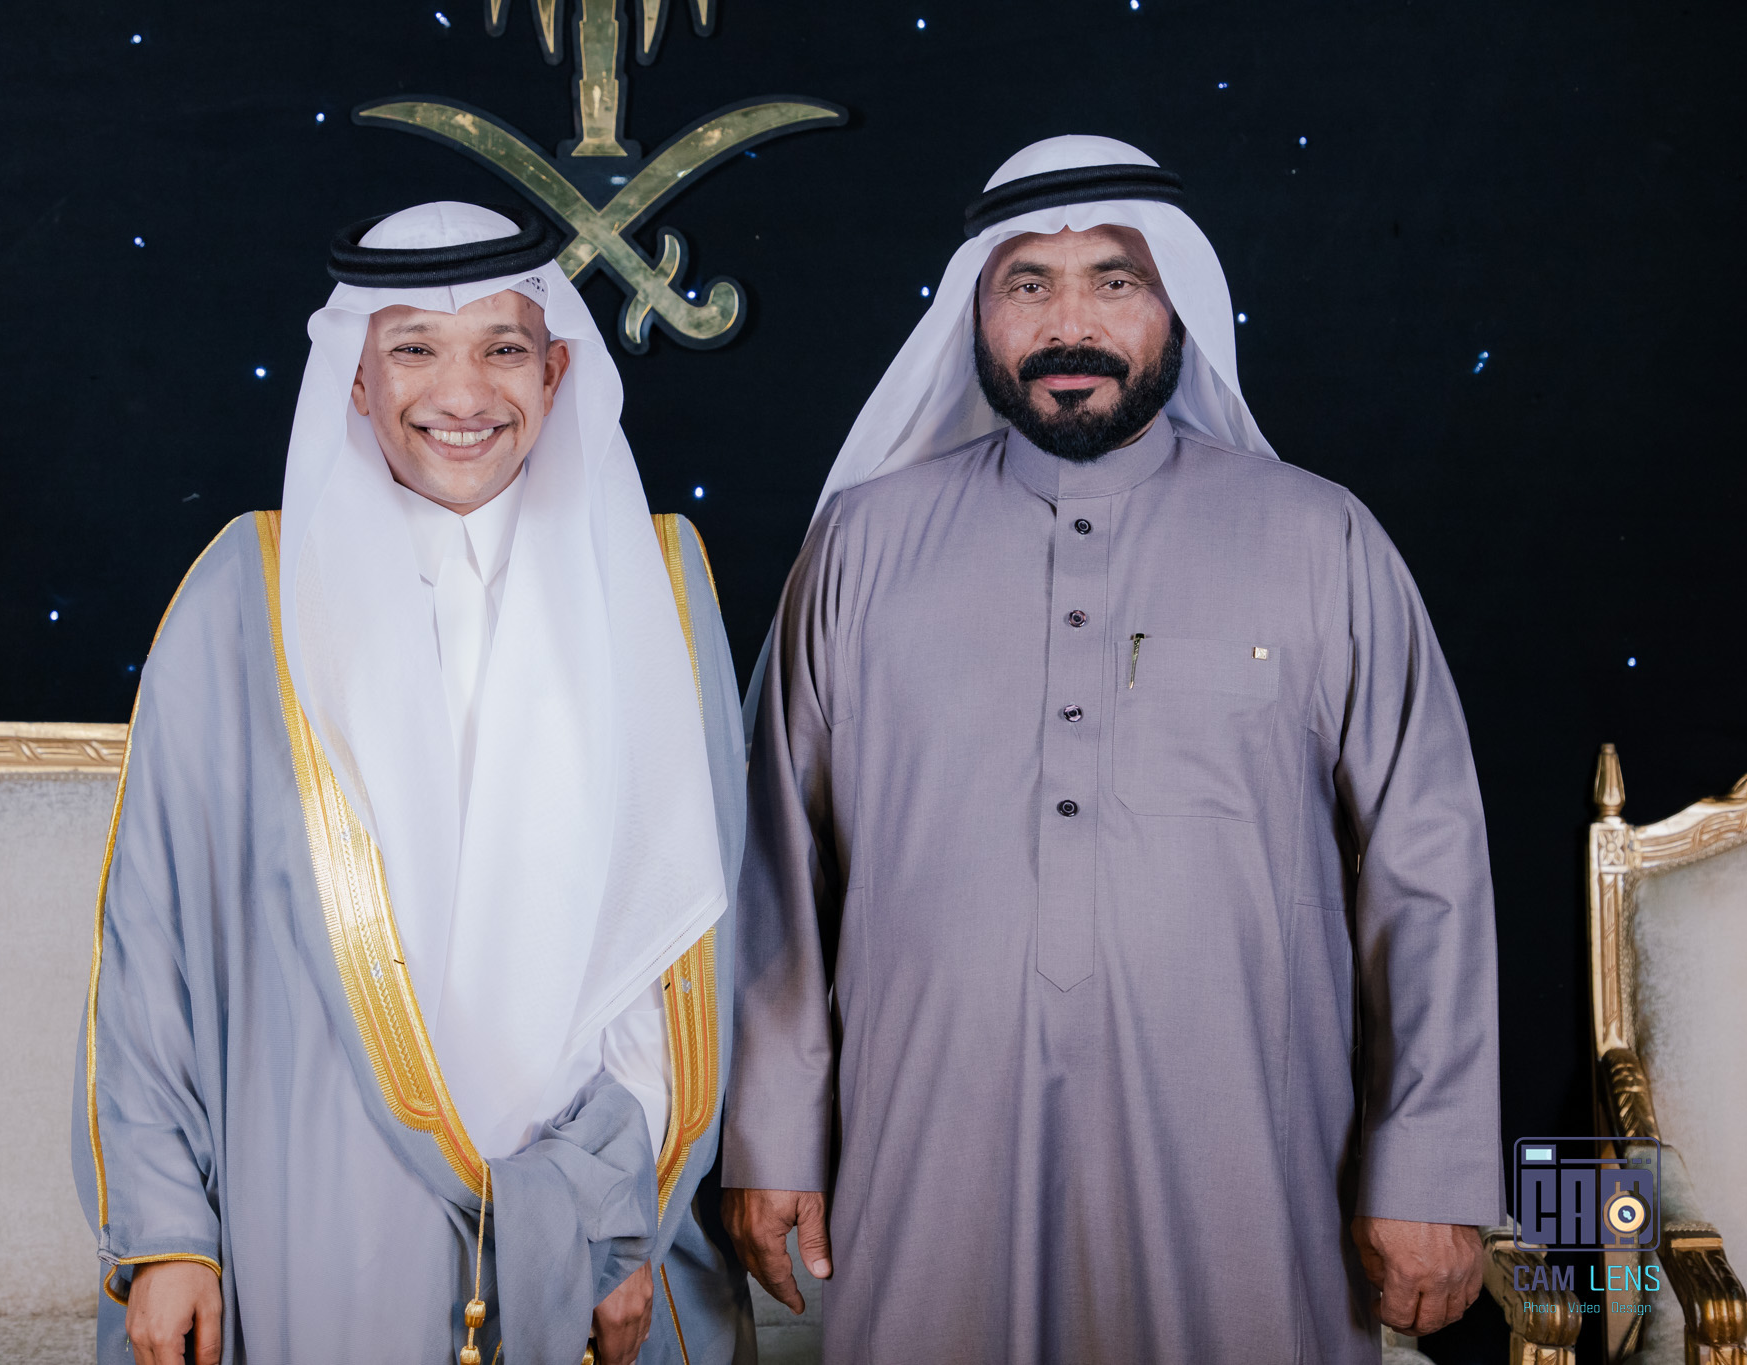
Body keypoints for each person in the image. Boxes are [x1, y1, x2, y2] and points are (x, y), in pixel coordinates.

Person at [720, 135, 1502, 1361]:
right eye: (1027, 283)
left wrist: (1429, 1165)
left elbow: (1427, 868)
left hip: (1247, 1162)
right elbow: (778, 868)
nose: (1068, 324)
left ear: (1175, 303)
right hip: (925, 1152)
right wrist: (770, 1138)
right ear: (974, 312)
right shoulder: (863, 548)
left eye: (1114, 280)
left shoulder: (1318, 539)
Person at [74, 201, 753, 1365]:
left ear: (554, 372)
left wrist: (614, 1221)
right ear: (354, 377)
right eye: (414, 349)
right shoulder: (247, 595)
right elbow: (153, 941)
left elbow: (680, 943)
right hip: (318, 1199)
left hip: (588, 1199)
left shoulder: (653, 582)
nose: (462, 391)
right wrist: (169, 1234)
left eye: (501, 347)